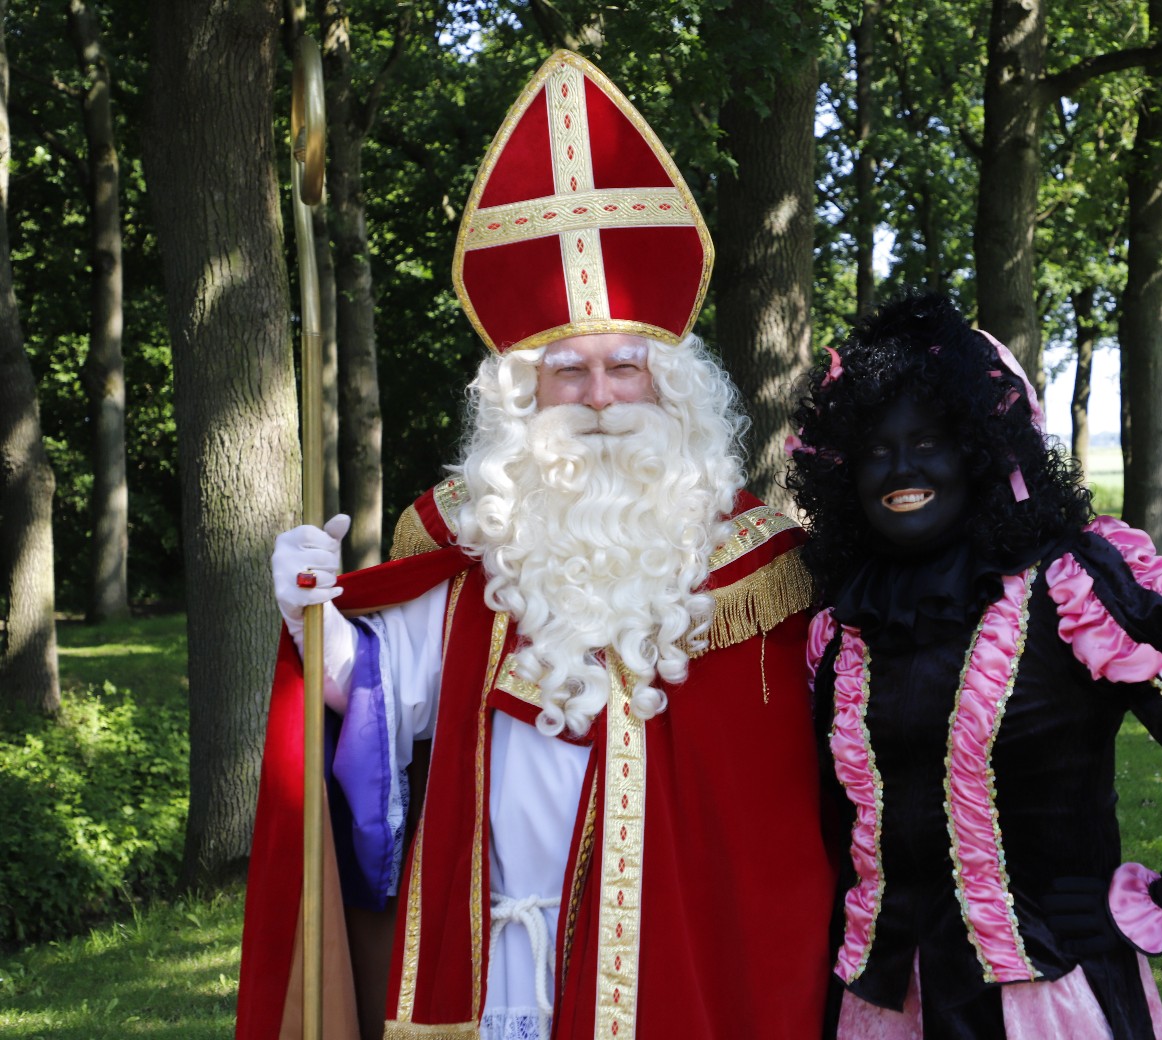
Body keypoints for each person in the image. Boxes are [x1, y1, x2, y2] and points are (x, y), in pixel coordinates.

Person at [235, 50, 833, 1040]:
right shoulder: (473, 537)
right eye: (568, 373)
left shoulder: (758, 565)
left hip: (672, 954)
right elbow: (378, 698)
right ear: (523, 398)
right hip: (499, 945)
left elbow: (782, 813)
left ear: (671, 389)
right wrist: (311, 608)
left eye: (625, 369)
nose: (599, 399)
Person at [785, 294, 1162, 1040]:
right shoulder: (842, 622)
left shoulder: (1069, 586)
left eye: (928, 442)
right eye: (877, 451)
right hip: (884, 1005)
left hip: (1046, 996)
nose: (901, 469)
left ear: (981, 450)